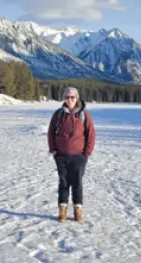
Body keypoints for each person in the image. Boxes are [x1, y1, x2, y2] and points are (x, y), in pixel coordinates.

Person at [47, 87, 95, 223]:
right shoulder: (58, 114)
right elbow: (51, 132)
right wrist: (53, 149)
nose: (69, 100)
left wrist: (87, 153)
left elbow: (91, 134)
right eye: (67, 97)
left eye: (72, 97)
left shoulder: (84, 115)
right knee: (63, 182)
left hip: (79, 156)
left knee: (77, 183)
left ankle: (77, 210)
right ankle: (62, 210)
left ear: (77, 98)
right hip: (61, 156)